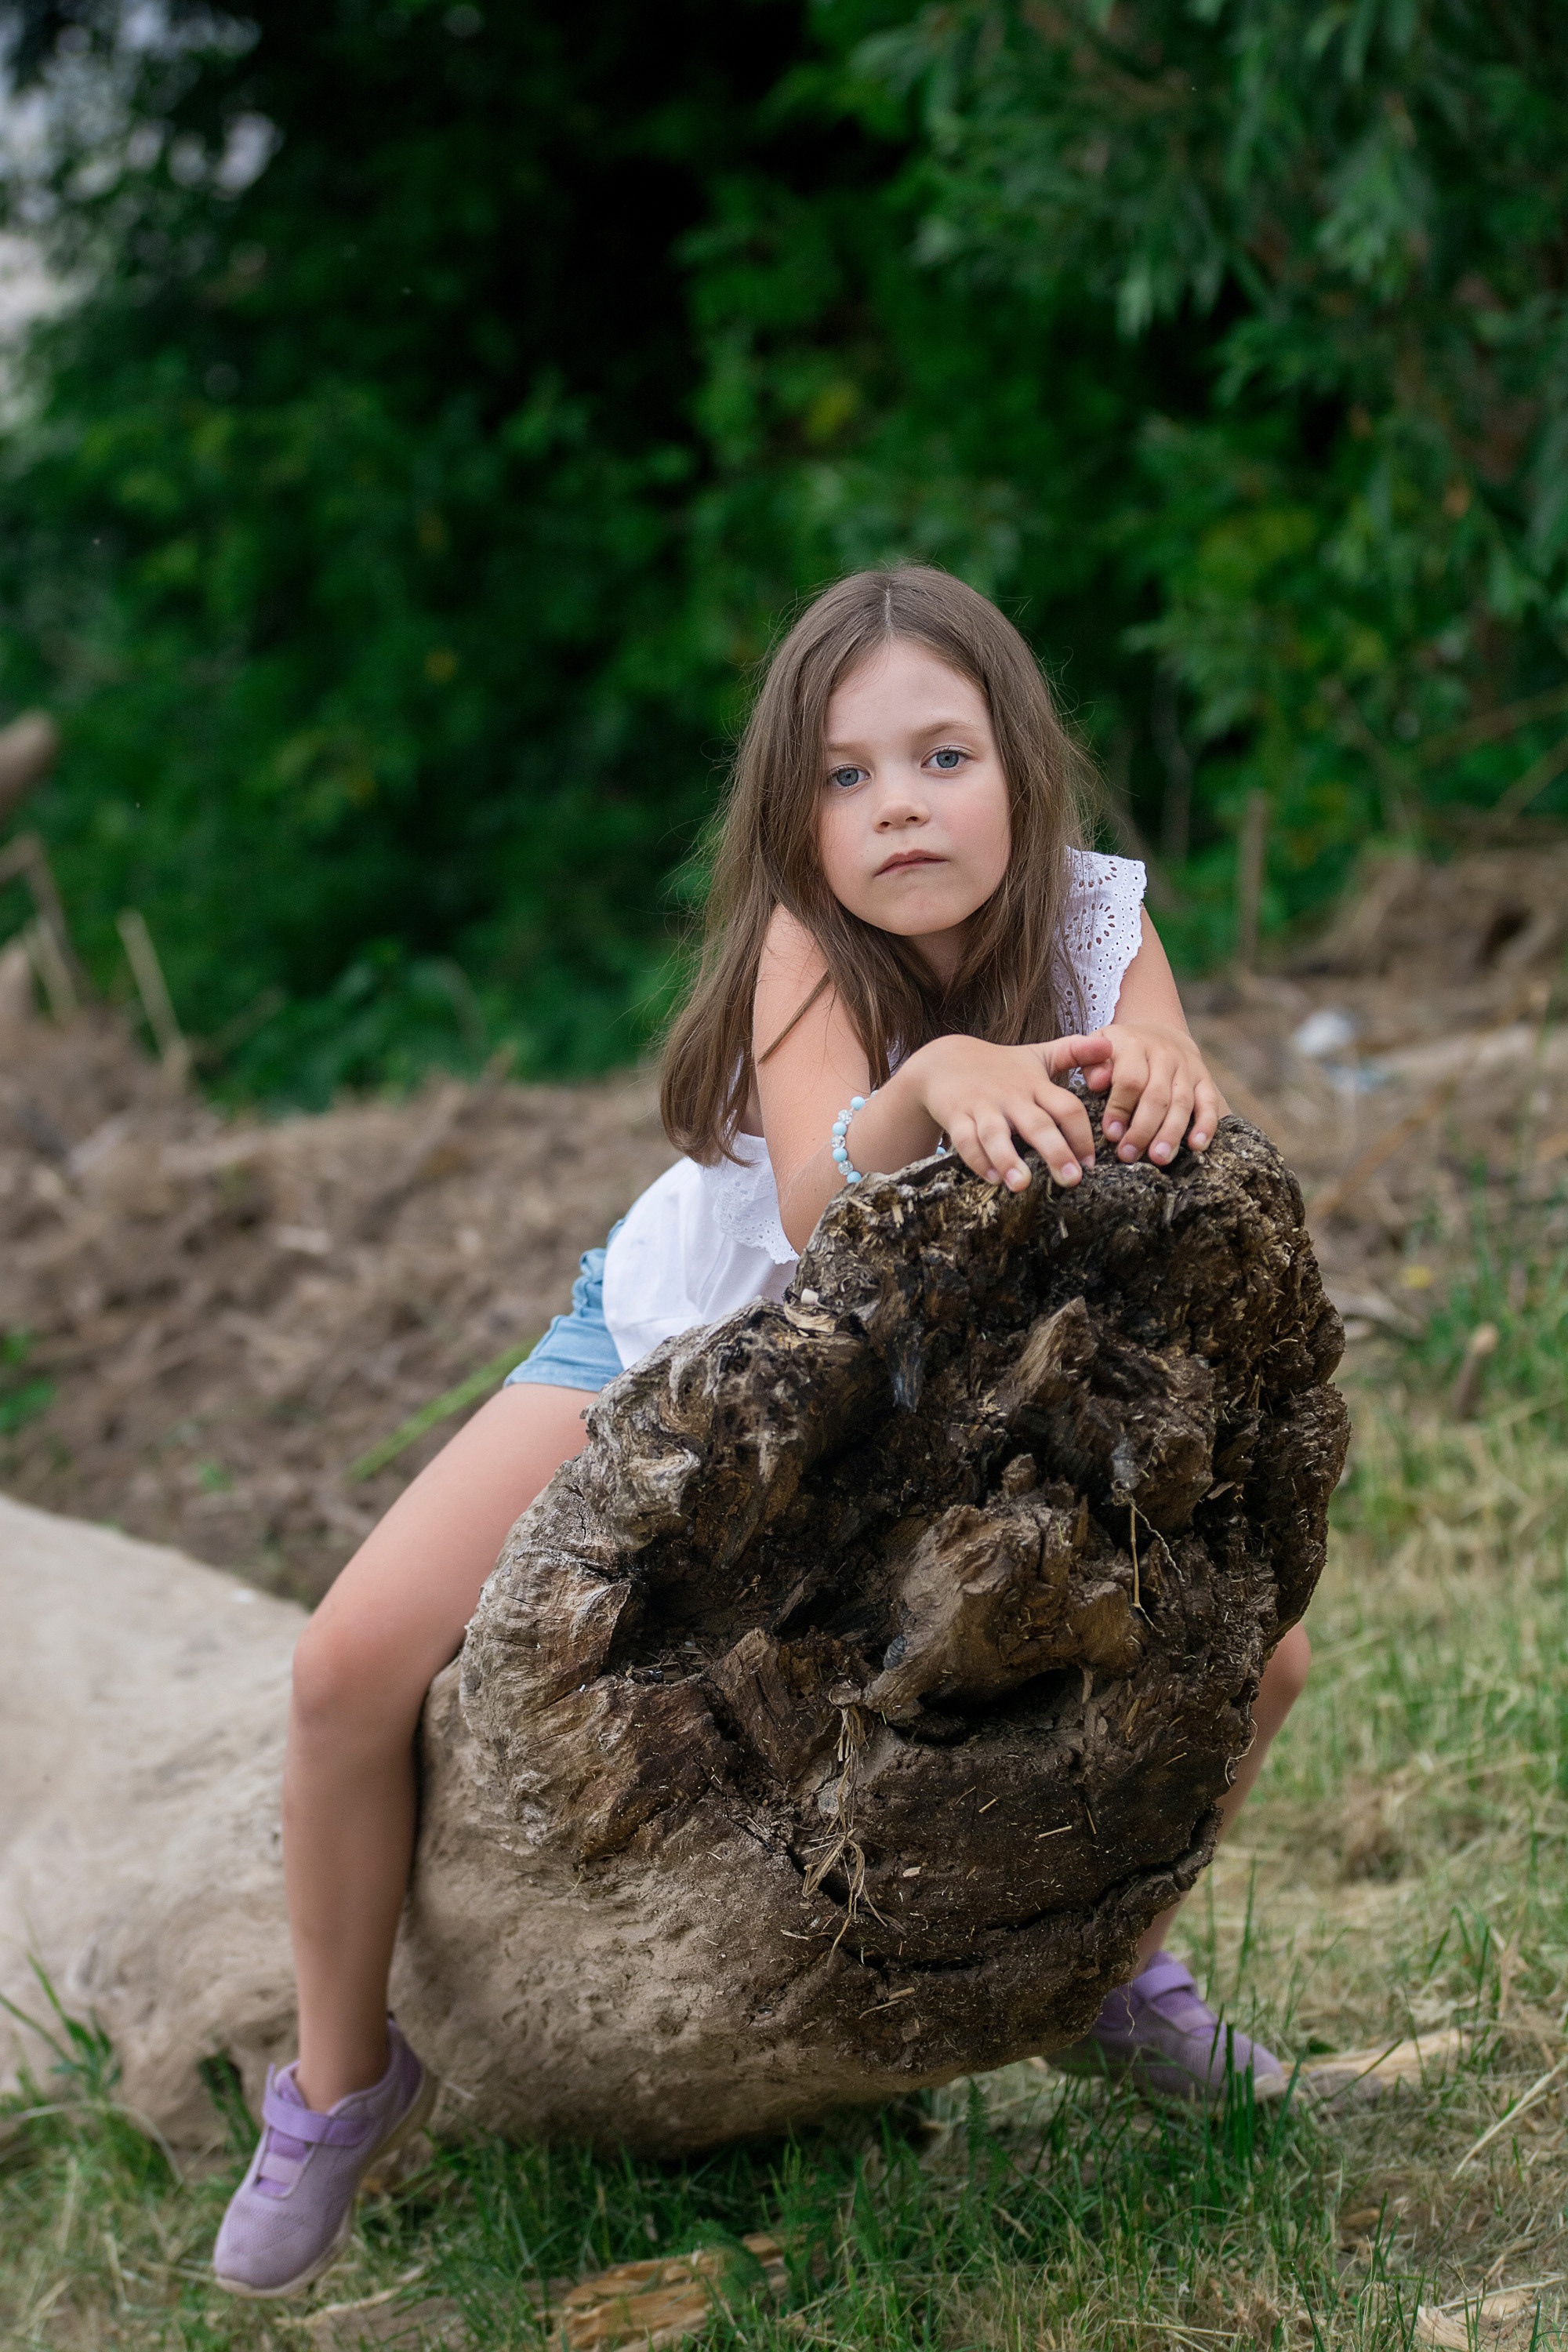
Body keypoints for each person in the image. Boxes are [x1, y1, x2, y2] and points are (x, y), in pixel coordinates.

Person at [213, 567, 1311, 2297]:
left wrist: (1172, 1078)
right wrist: (938, 1075)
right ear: (793, 820)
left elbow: (1169, 1087)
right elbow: (814, 1196)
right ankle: (342, 2079)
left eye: (941, 757)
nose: (899, 807)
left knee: (1265, 1653)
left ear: (1021, 768)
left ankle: (1112, 1970)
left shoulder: (1096, 919)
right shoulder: (806, 947)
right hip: (677, 1346)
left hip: (944, 1376)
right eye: (846, 777)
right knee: (344, 1669)